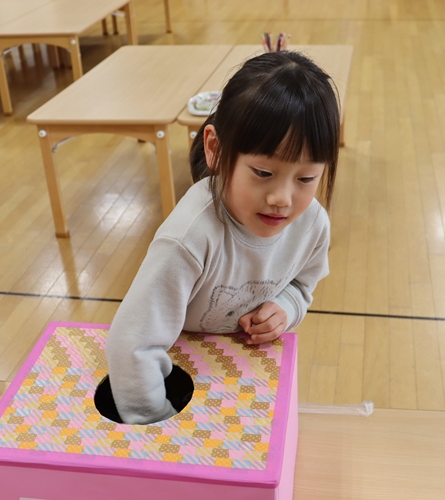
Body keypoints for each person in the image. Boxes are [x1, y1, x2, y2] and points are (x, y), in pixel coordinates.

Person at [105, 50, 341, 425]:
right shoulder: (189, 237)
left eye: (306, 178)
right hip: (173, 377)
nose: (282, 199)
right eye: (263, 172)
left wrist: (286, 307)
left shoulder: (312, 224)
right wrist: (156, 425)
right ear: (215, 149)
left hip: (238, 373)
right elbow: (132, 344)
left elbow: (301, 285)